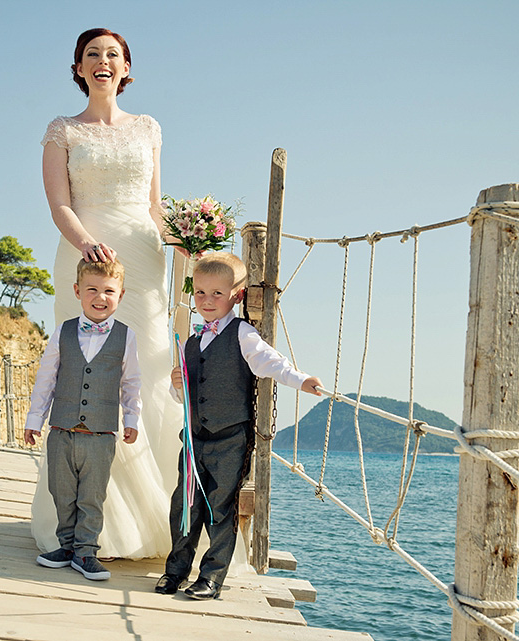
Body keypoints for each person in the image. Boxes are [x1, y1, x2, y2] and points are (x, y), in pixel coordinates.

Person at [31, 27, 179, 559]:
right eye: (92, 54)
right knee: (83, 374)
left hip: (141, 260)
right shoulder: (62, 130)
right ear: (77, 68)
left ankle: (150, 523)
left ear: (126, 68)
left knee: (150, 368)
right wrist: (88, 244)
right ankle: (78, 523)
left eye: (112, 54)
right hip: (84, 251)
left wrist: (186, 237)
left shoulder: (149, 128)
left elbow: (155, 203)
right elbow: (59, 204)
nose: (102, 61)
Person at [155, 252, 324, 600]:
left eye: (217, 293)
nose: (207, 301)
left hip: (230, 438)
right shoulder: (190, 342)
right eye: (200, 293)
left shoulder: (242, 334)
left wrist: (301, 379)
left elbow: (270, 362)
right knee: (185, 505)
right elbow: (182, 400)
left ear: (237, 294)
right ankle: (175, 570)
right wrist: (178, 385)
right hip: (194, 437)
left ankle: (212, 577)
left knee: (221, 508)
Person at [24, 259, 139, 581]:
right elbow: (47, 376)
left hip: (101, 435)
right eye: (92, 289)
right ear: (77, 291)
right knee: (61, 491)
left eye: (108, 291)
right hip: (61, 429)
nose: (100, 297)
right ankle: (66, 547)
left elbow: (131, 382)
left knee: (92, 495)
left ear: (121, 295)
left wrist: (132, 418)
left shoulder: (126, 337)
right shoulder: (64, 331)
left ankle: (86, 551)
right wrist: (35, 418)